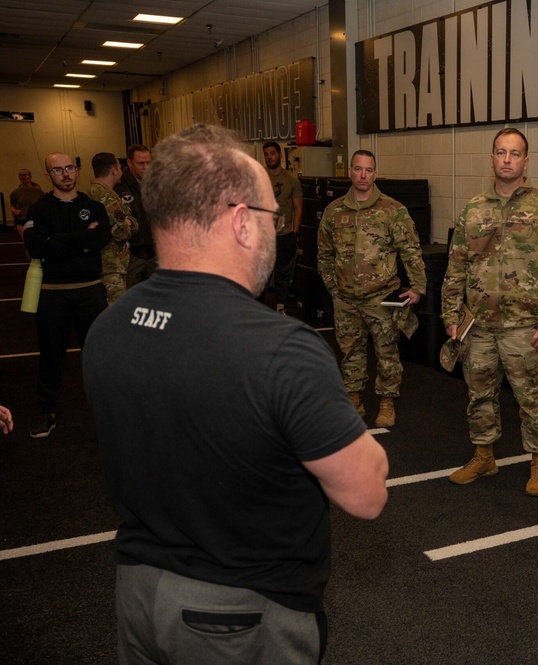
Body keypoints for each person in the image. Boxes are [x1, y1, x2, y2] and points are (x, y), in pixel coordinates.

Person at [82, 123, 389, 663]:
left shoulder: (111, 326)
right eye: (272, 214)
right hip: (238, 618)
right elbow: (366, 494)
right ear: (242, 222)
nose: (275, 228)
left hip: (137, 597)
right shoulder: (280, 349)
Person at [441, 128, 538, 497]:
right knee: (479, 395)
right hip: (479, 325)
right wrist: (450, 315)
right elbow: (456, 266)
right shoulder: (473, 209)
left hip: (525, 327)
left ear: (525, 161)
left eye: (514, 154)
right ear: (492, 158)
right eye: (500, 152)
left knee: (531, 397)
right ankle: (484, 455)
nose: (507, 160)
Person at [316, 149, 427, 428]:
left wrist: (418, 286)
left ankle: (387, 401)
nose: (363, 175)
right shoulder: (334, 211)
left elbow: (411, 251)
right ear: (350, 172)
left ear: (375, 173)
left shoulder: (393, 210)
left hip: (381, 298)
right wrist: (333, 287)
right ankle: (354, 398)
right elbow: (324, 253)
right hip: (346, 299)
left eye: (368, 170)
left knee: (387, 353)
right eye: (357, 169)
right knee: (350, 351)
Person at [22, 153, 110, 438]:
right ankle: (47, 413)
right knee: (51, 356)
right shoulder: (38, 209)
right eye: (57, 169)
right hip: (53, 295)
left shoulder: (94, 206)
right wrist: (81, 241)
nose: (65, 173)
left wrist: (56, 241)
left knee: (97, 355)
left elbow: (100, 239)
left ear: (76, 169)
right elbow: (36, 247)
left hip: (90, 291)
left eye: (69, 167)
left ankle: (107, 412)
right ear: (48, 175)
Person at [89, 152, 137, 304]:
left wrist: (130, 222)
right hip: (111, 266)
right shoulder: (105, 196)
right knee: (115, 313)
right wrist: (130, 223)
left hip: (106, 264)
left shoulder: (95, 192)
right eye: (119, 167)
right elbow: (121, 232)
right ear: (114, 170)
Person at [262, 141, 303, 313]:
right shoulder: (259, 177)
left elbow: (298, 207)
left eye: (272, 153)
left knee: (283, 274)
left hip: (285, 235)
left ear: (280, 155)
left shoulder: (291, 179)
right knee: (262, 274)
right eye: (266, 154)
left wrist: (294, 232)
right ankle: (259, 310)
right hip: (264, 236)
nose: (269, 157)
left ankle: (280, 307)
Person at [115, 144, 156, 288]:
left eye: (148, 162)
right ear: (129, 162)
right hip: (133, 255)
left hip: (154, 253)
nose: (145, 167)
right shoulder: (119, 185)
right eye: (140, 163)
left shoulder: (155, 182)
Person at [9, 168, 45, 236]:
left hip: (35, 219)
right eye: (21, 175)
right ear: (19, 177)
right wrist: (14, 211)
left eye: (26, 175)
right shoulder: (15, 192)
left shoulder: (38, 191)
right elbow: (12, 205)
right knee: (26, 240)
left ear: (30, 177)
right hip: (22, 219)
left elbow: (43, 204)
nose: (24, 177)